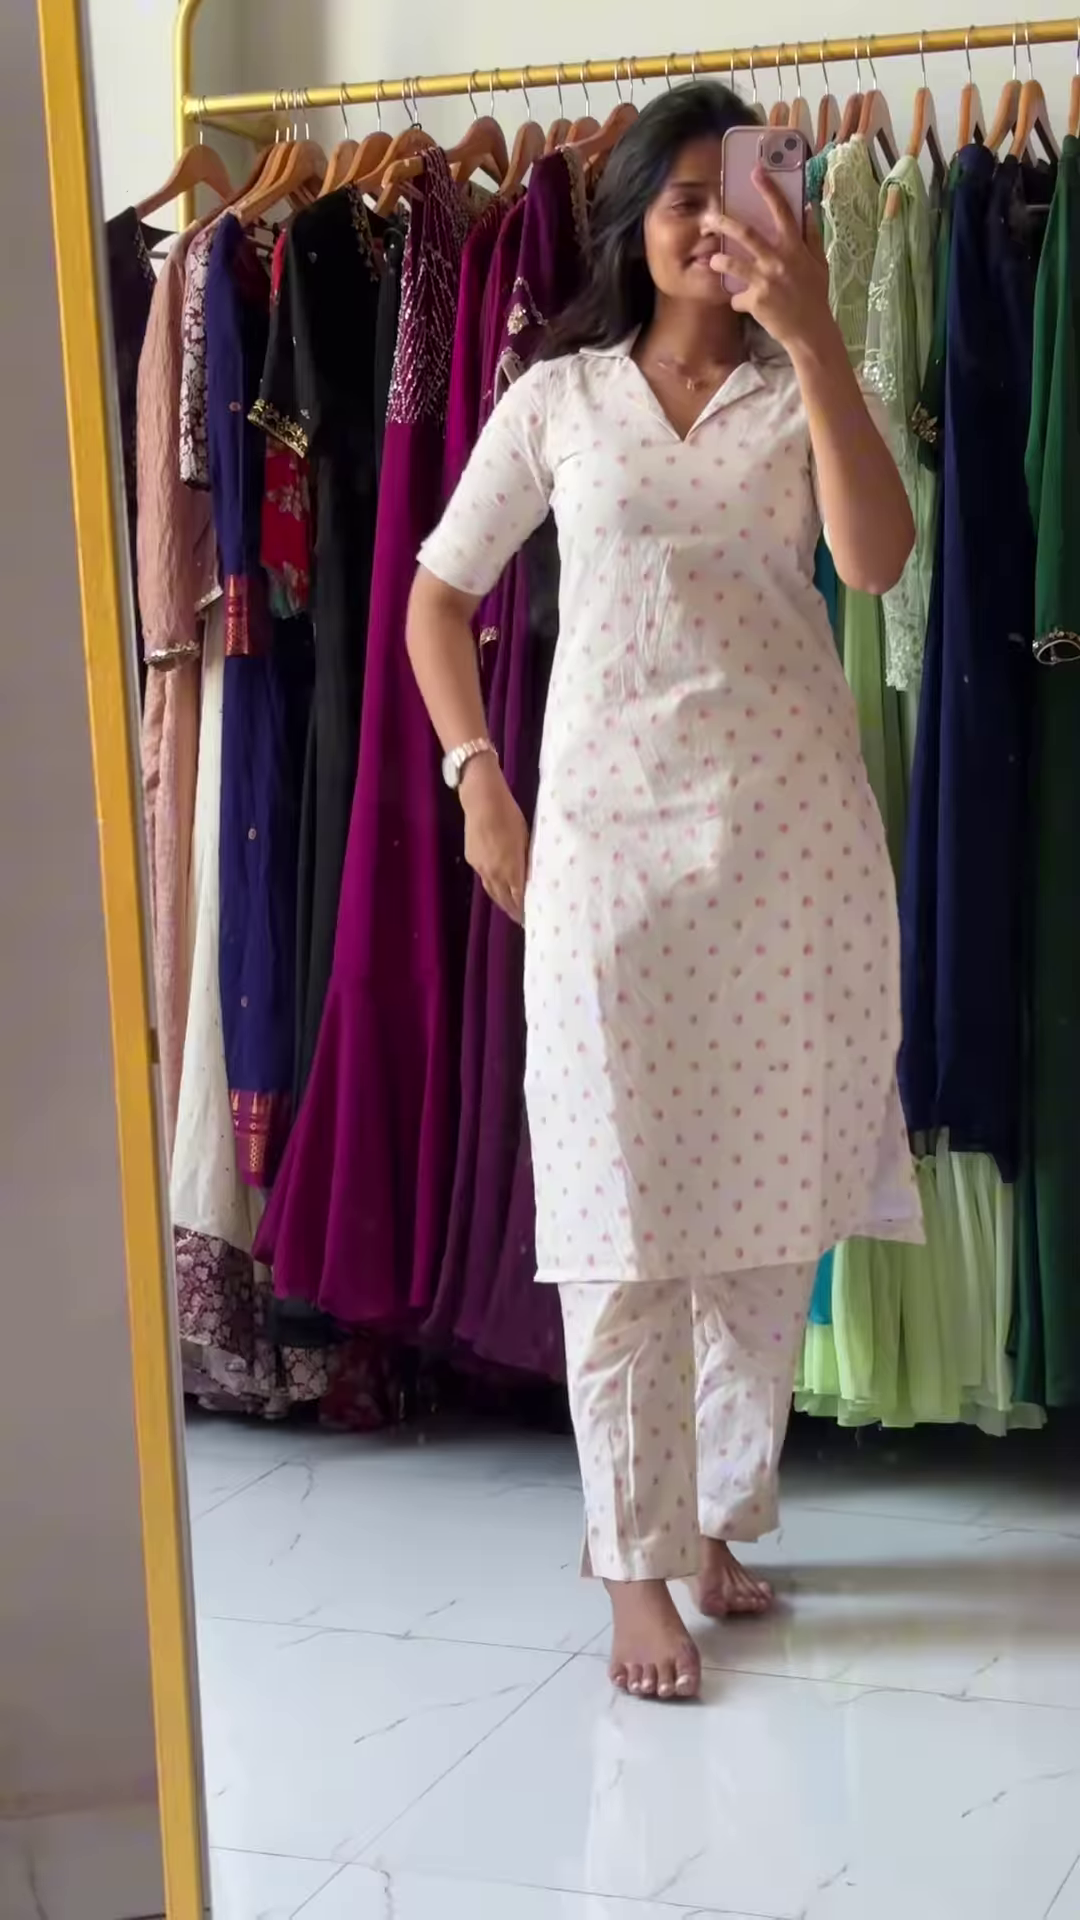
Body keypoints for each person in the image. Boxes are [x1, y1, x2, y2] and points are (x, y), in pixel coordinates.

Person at [407, 82, 921, 1703]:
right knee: (618, 1224)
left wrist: (817, 336)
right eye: (682, 196)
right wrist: (478, 780)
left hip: (786, 853)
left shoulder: (796, 390)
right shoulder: (558, 398)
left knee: (762, 1219)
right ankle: (630, 1568)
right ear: (632, 219)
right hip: (608, 862)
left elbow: (880, 558)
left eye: (739, 192)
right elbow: (435, 596)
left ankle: (709, 1521)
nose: (711, 223)